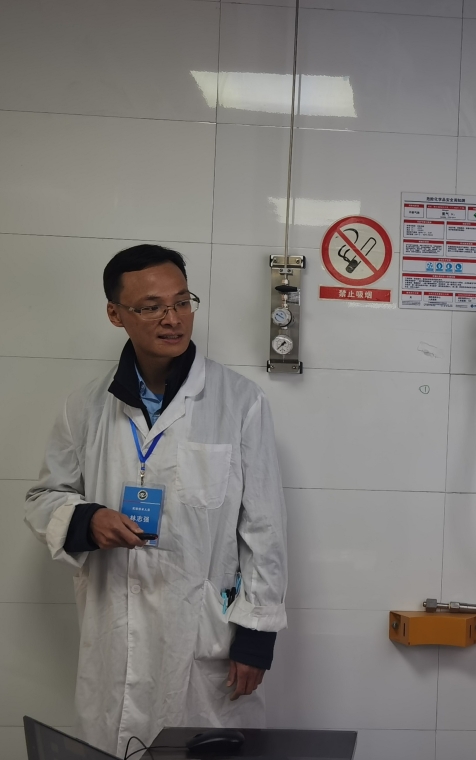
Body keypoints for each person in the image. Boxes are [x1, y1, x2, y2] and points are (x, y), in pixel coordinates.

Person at [24, 244, 288, 755]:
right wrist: (86, 520)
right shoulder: (84, 407)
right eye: (151, 307)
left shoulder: (239, 402)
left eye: (182, 302)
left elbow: (265, 527)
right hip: (113, 633)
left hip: (203, 638)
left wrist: (257, 638)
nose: (173, 319)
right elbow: (43, 496)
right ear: (115, 314)